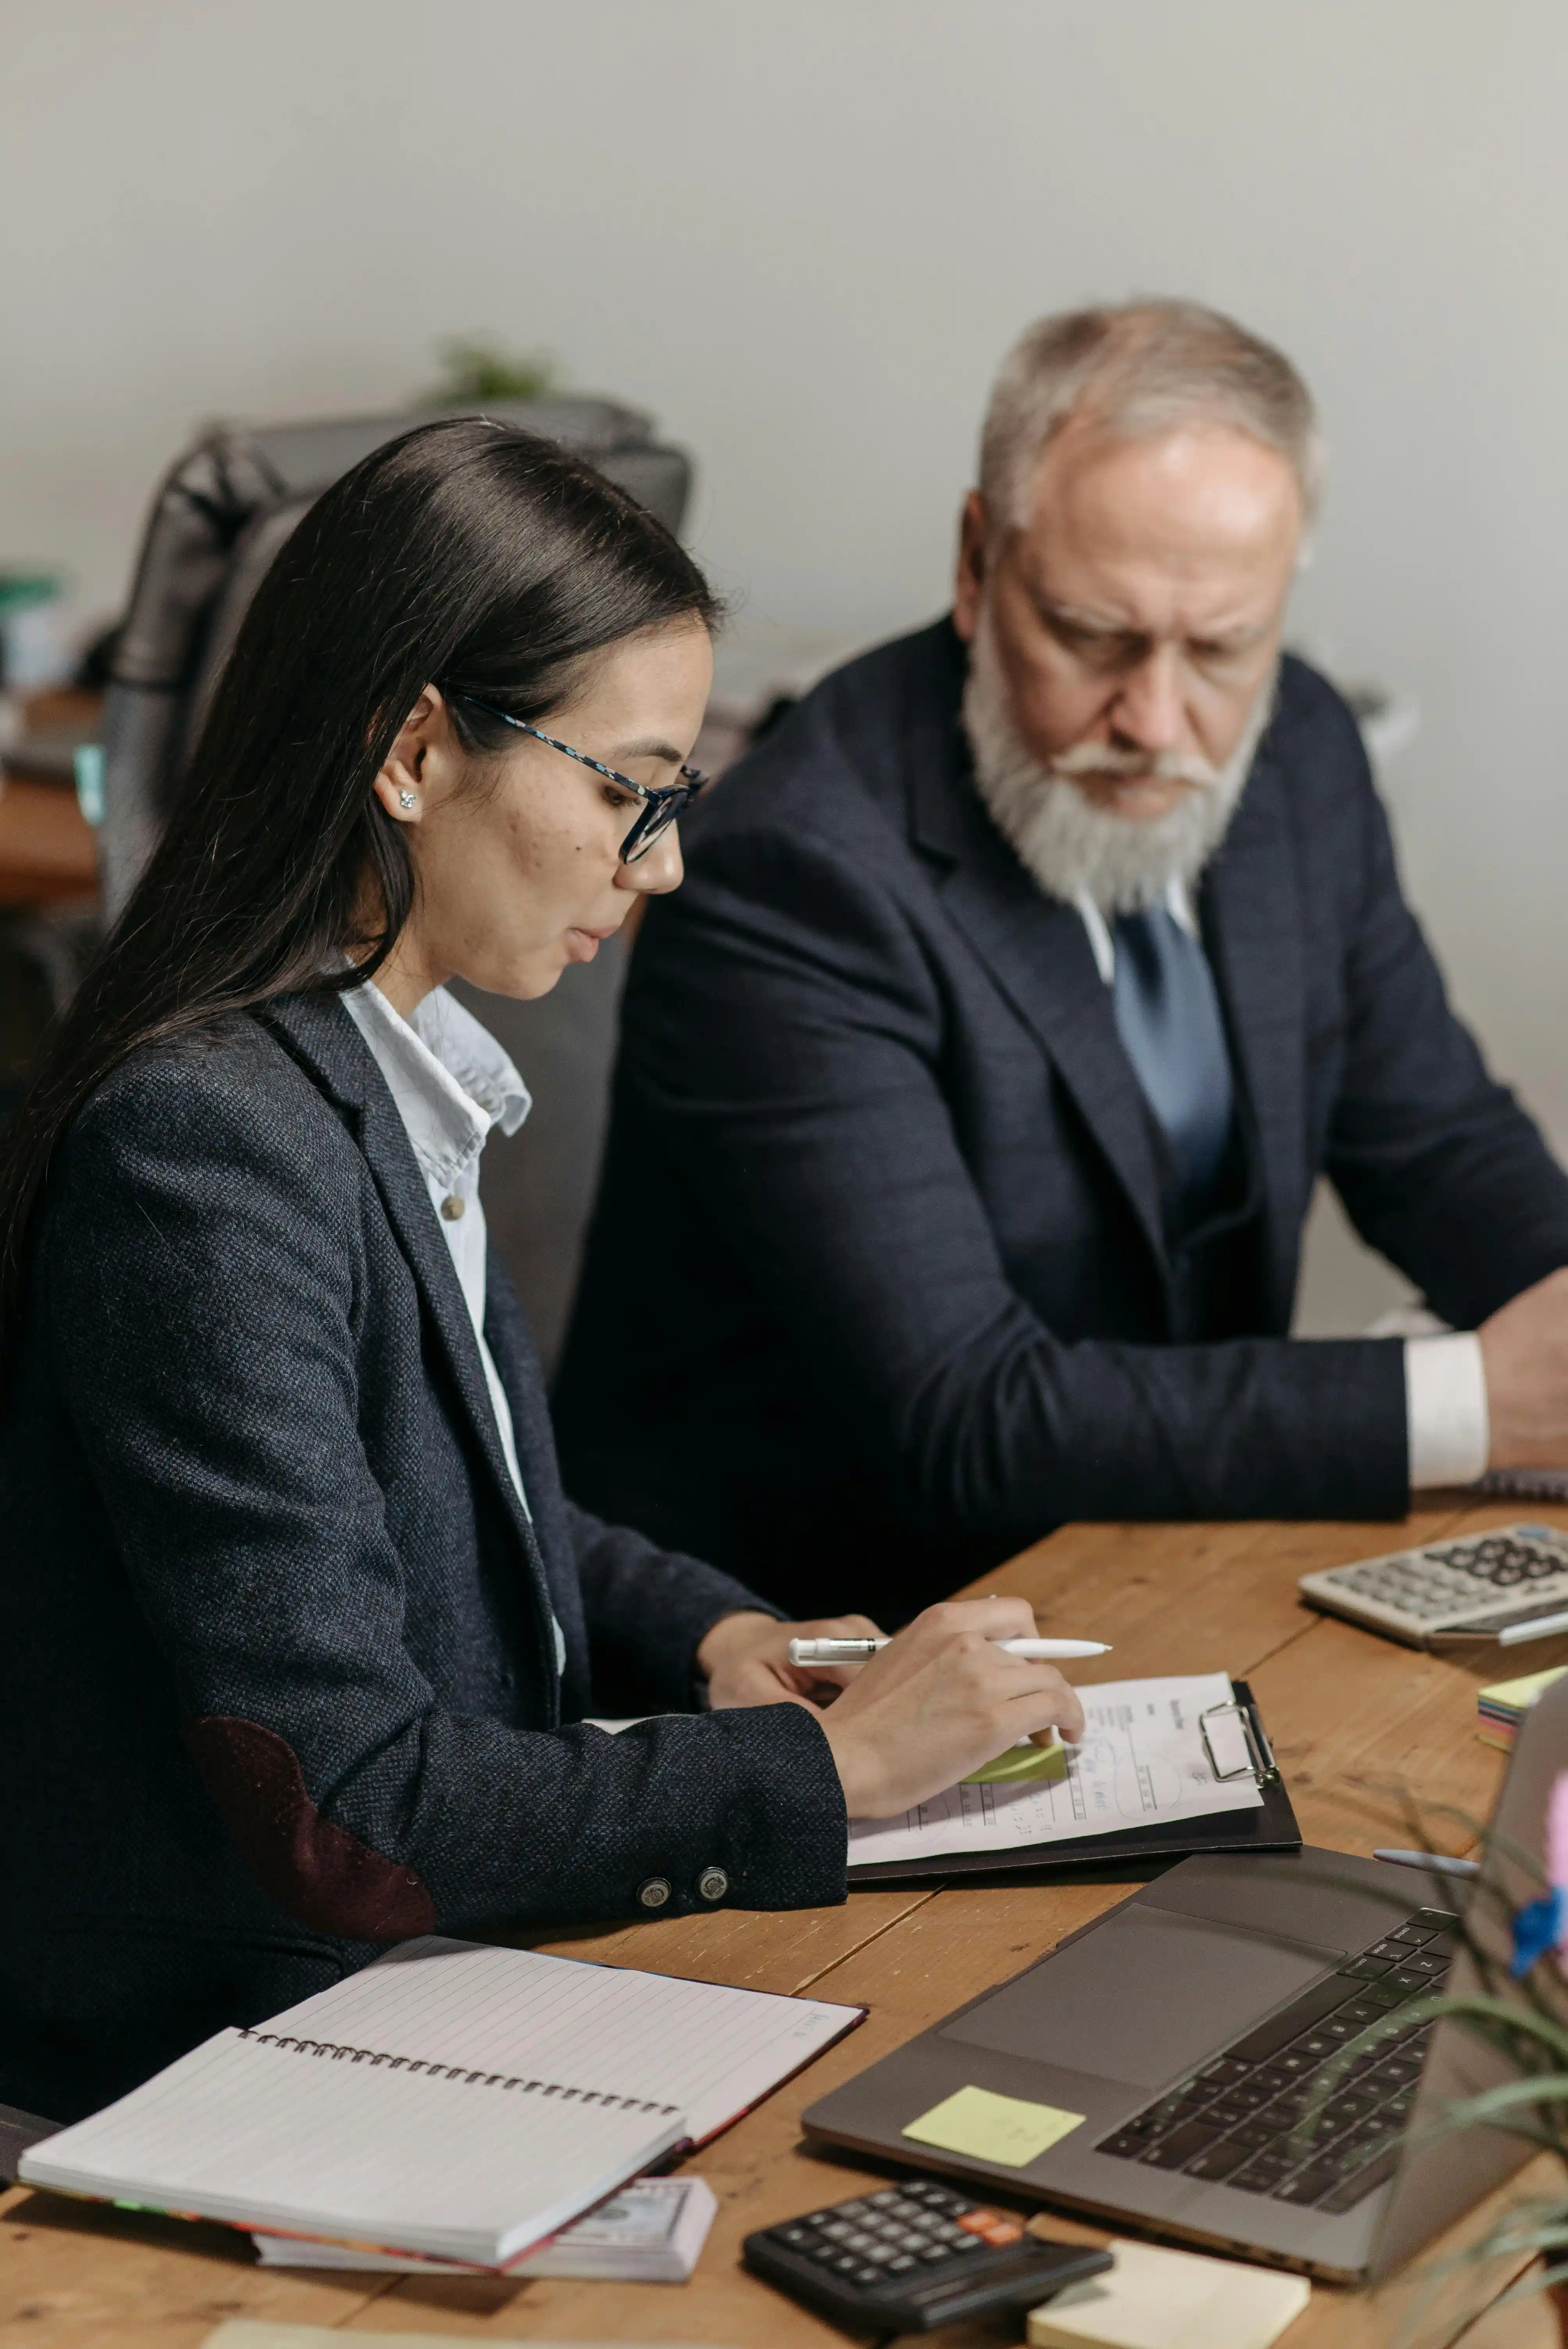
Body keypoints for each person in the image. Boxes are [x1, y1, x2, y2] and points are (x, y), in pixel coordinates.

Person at [0, 421, 1085, 2124]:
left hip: (411, 1996)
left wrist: (717, 1631)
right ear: (415, 750)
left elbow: (442, 1490)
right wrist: (827, 1766)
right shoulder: (203, 1147)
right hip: (217, 2079)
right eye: (623, 788)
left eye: (676, 796)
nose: (659, 863)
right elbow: (349, 1802)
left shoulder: (370, 1066)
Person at [555, 301, 1568, 1622]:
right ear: (980, 564)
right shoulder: (790, 872)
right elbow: (966, 1415)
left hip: (1153, 1557)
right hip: (817, 1642)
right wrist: (1477, 1406)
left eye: (1219, 649)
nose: (1155, 721)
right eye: (1093, 635)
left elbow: (1436, 1141)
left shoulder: (1303, 751)